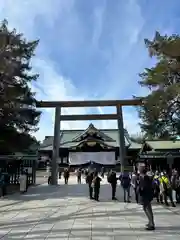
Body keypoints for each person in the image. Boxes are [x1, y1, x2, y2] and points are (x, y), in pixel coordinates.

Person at [138, 166, 155, 230]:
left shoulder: (143, 177)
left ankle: (151, 224)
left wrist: (140, 189)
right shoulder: (145, 177)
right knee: (147, 208)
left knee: (147, 209)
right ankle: (150, 222)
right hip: (147, 195)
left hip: (145, 195)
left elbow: (143, 187)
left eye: (139, 169)